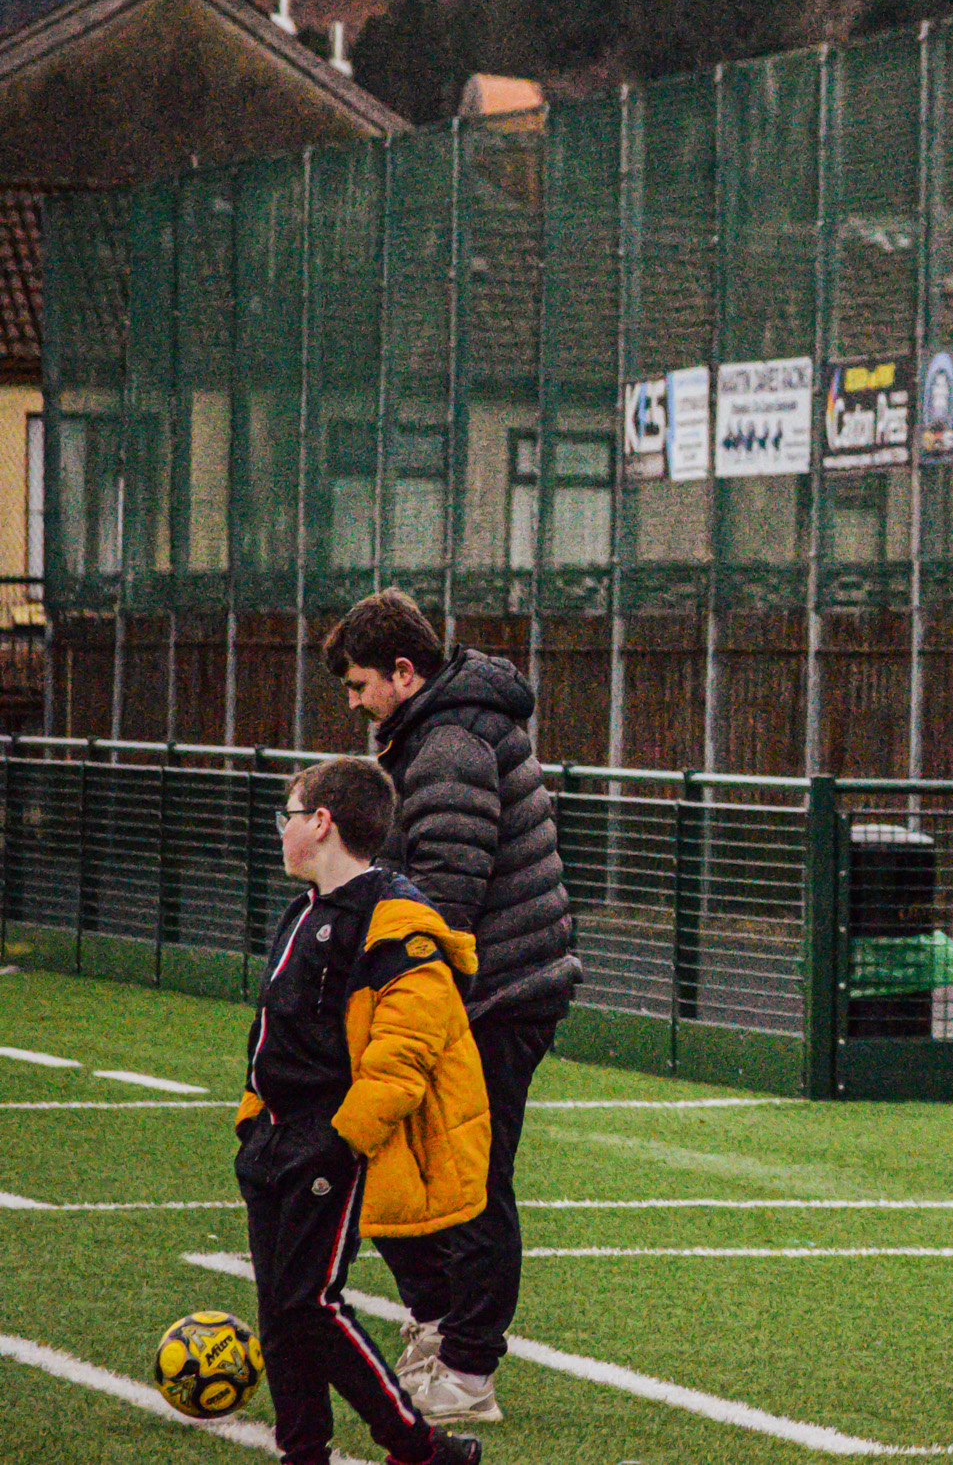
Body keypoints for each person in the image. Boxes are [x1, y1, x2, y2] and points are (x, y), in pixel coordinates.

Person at [322, 589, 578, 1421]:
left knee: (471, 1181)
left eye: (361, 685)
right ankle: (438, 1327)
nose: (354, 704)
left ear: (404, 670)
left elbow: (449, 891)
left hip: (497, 993)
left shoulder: (450, 742)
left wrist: (388, 987)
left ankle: (468, 1368)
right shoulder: (432, 731)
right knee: (400, 1167)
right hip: (476, 987)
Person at [233, 755, 487, 1465]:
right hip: (273, 1141)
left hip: (326, 1142)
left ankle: (418, 1445)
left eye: (286, 815)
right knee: (280, 1313)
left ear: (320, 822)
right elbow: (276, 1027)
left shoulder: (396, 924)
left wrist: (341, 1139)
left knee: (309, 1303)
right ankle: (303, 1449)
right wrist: (253, 1116)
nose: (280, 831)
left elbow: (403, 1055)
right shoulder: (303, 909)